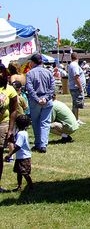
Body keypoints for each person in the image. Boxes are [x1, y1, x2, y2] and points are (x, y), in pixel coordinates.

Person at [25, 53, 55, 153]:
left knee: (36, 122)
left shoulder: (30, 73)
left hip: (35, 101)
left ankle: (38, 143)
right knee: (45, 122)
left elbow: (30, 88)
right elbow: (52, 87)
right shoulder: (49, 72)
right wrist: (46, 98)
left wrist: (38, 99)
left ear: (33, 62)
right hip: (47, 100)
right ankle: (43, 144)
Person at [0, 64, 18, 192]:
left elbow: (13, 110)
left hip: (3, 125)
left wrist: (10, 129)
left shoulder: (10, 90)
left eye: (1, 72)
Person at [4, 114, 33, 191]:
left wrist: (9, 154)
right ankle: (19, 186)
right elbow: (19, 143)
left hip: (23, 157)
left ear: (16, 124)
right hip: (23, 156)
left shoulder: (20, 134)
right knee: (19, 172)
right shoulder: (24, 133)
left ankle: (31, 186)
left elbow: (18, 146)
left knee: (24, 173)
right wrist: (12, 140)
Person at [68, 52, 86, 125]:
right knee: (76, 104)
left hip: (75, 87)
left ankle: (76, 119)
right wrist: (80, 87)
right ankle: (75, 120)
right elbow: (76, 77)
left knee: (76, 105)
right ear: (77, 58)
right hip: (76, 88)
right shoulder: (74, 65)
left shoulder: (72, 65)